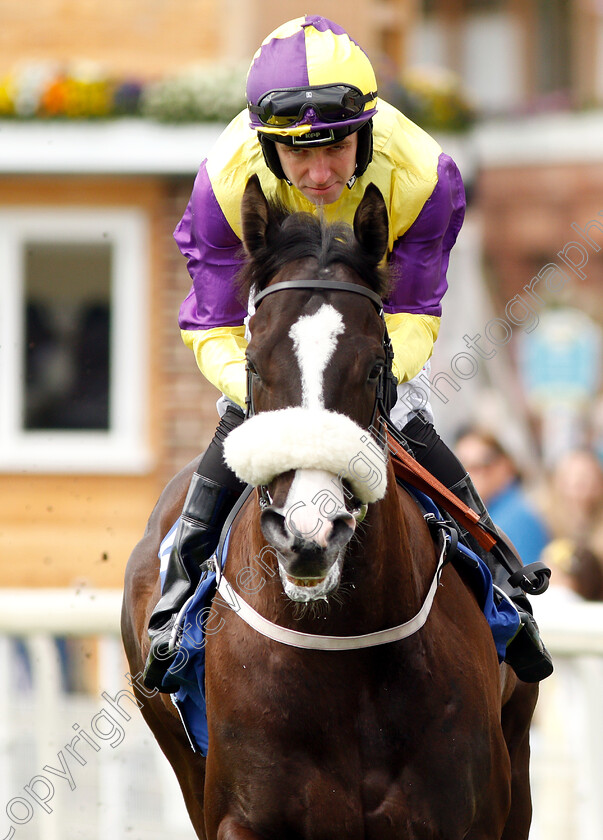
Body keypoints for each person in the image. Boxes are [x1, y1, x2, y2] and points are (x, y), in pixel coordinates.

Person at [143, 15, 552, 691]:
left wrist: (376, 378)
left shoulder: (425, 174)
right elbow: (211, 323)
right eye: (297, 154)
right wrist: (267, 394)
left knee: (415, 424)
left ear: (365, 127)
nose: (319, 171)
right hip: (279, 341)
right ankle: (175, 599)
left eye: (335, 148)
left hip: (366, 336)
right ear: (265, 145)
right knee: (230, 425)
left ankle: (505, 589)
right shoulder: (222, 182)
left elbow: (415, 311)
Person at [455, 427, 551, 569]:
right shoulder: (486, 511)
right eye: (461, 467)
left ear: (505, 465)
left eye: (480, 465)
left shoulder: (517, 517)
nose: (468, 475)